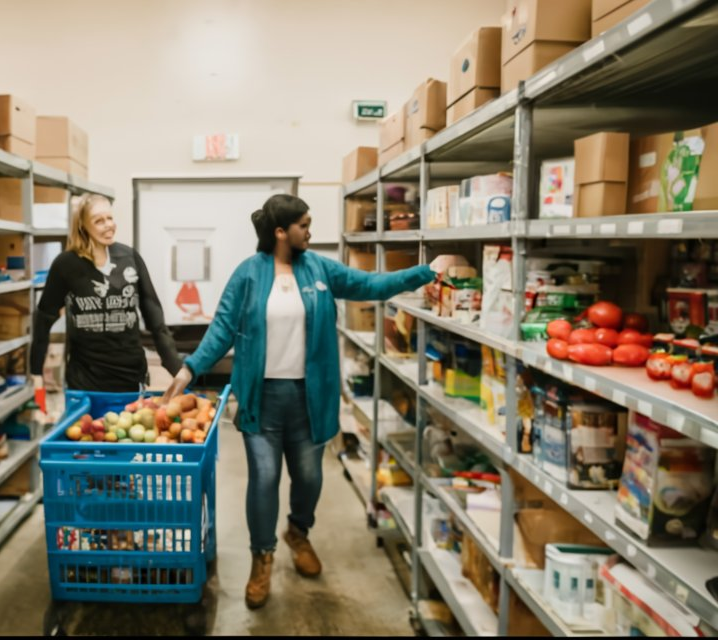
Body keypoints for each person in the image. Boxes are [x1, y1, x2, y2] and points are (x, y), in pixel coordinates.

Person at [163, 193, 450, 609]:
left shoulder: (318, 268)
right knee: (263, 480)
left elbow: (370, 285)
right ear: (281, 232)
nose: (310, 230)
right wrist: (188, 370)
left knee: (310, 478)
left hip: (309, 398)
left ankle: (298, 532)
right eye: (304, 224)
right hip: (263, 399)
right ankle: (261, 558)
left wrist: (424, 273)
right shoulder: (248, 274)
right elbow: (222, 329)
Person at [30, 193, 184, 394]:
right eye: (98, 221)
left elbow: (155, 319)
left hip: (131, 376)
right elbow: (43, 319)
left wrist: (177, 369)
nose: (108, 225)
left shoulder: (129, 257)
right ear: (83, 225)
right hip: (85, 380)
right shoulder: (66, 264)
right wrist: (36, 375)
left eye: (109, 218)